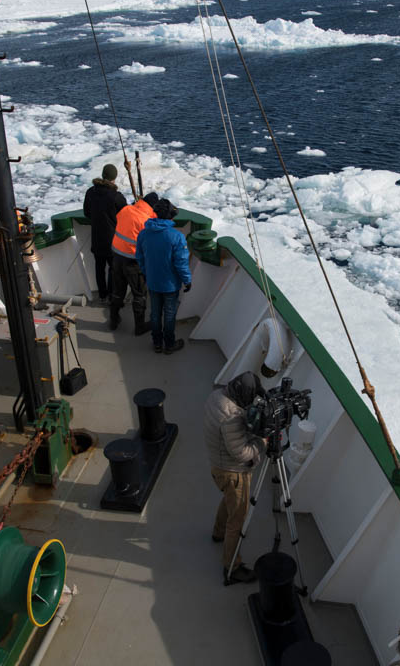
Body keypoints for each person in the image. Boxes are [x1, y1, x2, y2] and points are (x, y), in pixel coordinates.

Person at [203, 371, 266, 585]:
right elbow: (242, 453)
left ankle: (218, 532)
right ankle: (232, 568)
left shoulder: (216, 396)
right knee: (238, 519)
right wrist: (262, 442)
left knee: (229, 499)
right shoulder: (232, 417)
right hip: (233, 472)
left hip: (218, 466)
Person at [135, 198, 192, 355]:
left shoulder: (144, 233)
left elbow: (140, 257)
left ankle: (157, 344)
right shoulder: (177, 236)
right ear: (171, 216)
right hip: (170, 285)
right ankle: (169, 344)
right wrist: (187, 280)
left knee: (155, 314)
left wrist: (147, 273)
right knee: (169, 315)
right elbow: (181, 263)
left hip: (153, 282)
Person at [109, 191, 159, 334]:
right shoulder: (147, 221)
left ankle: (113, 320)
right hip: (133, 262)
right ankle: (139, 326)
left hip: (117, 256)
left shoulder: (125, 210)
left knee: (118, 291)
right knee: (139, 294)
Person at [82, 164, 127, 301]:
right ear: (114, 177)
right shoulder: (116, 196)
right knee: (113, 269)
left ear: (103, 175)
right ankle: (112, 296)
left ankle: (102, 295)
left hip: (96, 237)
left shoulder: (90, 192)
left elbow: (87, 212)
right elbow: (125, 215)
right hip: (113, 239)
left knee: (99, 267)